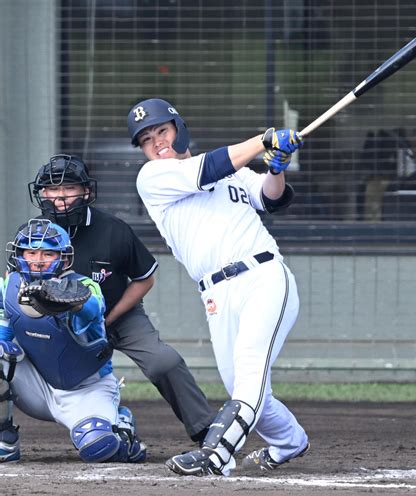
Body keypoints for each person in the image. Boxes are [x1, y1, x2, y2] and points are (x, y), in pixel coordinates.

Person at [127, 97, 310, 476]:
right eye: (147, 139)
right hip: (215, 295)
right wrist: (266, 140)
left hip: (262, 276)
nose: (157, 142)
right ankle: (290, 442)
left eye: (162, 130)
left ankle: (216, 456)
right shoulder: (154, 177)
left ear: (179, 128)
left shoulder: (232, 170)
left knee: (248, 376)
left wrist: (277, 166)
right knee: (249, 391)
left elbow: (271, 198)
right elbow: (209, 168)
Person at [28, 154, 214, 445]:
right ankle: (6, 433)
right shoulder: (33, 234)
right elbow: (15, 283)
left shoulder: (113, 229)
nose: (59, 197)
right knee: (6, 355)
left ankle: (206, 430)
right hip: (58, 325)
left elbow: (145, 278)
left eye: (69, 188)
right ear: (41, 193)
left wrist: (108, 319)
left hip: (117, 314)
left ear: (86, 191)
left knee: (163, 362)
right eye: (52, 189)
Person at [0, 219, 146, 463]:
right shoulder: (9, 286)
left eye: (48, 253)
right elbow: (4, 327)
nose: (38, 259)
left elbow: (92, 309)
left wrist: (72, 302)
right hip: (35, 386)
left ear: (64, 259)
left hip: (85, 388)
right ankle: (5, 439)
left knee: (98, 449)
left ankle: (121, 428)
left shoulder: (84, 286)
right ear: (19, 254)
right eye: (31, 252)